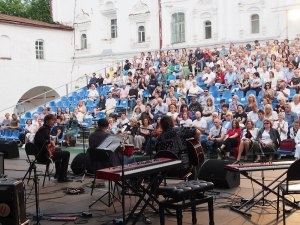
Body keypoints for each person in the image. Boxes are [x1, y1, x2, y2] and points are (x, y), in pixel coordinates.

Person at [34, 114, 70, 182]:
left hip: (39, 154)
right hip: (44, 156)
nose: (54, 122)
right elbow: (42, 142)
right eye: (52, 120)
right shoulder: (45, 129)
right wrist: (50, 143)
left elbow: (42, 141)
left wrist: (50, 143)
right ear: (47, 121)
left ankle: (58, 174)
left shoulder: (43, 128)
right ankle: (63, 177)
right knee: (66, 154)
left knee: (59, 150)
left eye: (54, 120)